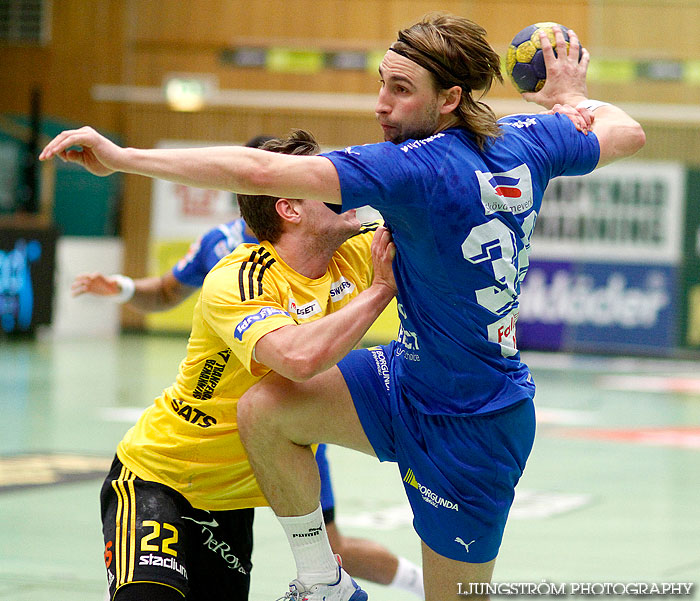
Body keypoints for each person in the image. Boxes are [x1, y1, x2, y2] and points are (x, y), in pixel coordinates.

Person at [39, 14, 646, 601]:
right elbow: (626, 132)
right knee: (267, 409)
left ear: (450, 97)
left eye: (401, 90)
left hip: (475, 418)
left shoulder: (414, 169)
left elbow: (260, 168)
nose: (380, 103)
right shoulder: (533, 140)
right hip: (404, 379)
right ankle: (322, 580)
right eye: (381, 82)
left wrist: (124, 158)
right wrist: (568, 97)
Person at [61, 129, 402, 601]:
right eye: (324, 181)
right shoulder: (239, 275)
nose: (344, 188)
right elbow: (298, 359)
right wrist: (381, 293)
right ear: (290, 207)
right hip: (159, 478)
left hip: (234, 504)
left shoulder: (357, 252)